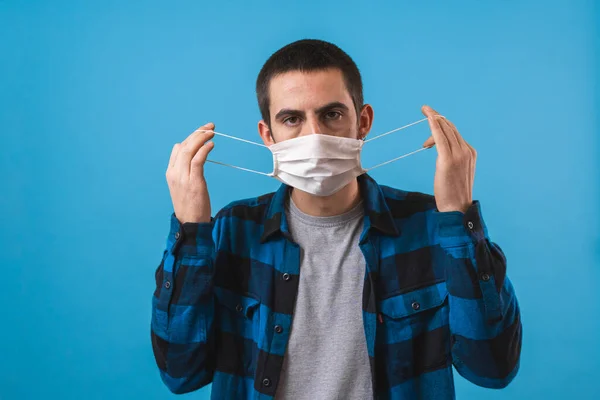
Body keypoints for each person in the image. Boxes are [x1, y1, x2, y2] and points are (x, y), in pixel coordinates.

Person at [151, 39, 522, 400]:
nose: (314, 136)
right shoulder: (232, 230)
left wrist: (459, 217)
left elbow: (493, 368)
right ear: (268, 135)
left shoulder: (430, 226)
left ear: (363, 122)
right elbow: (181, 374)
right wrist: (191, 230)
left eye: (331, 114)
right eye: (292, 119)